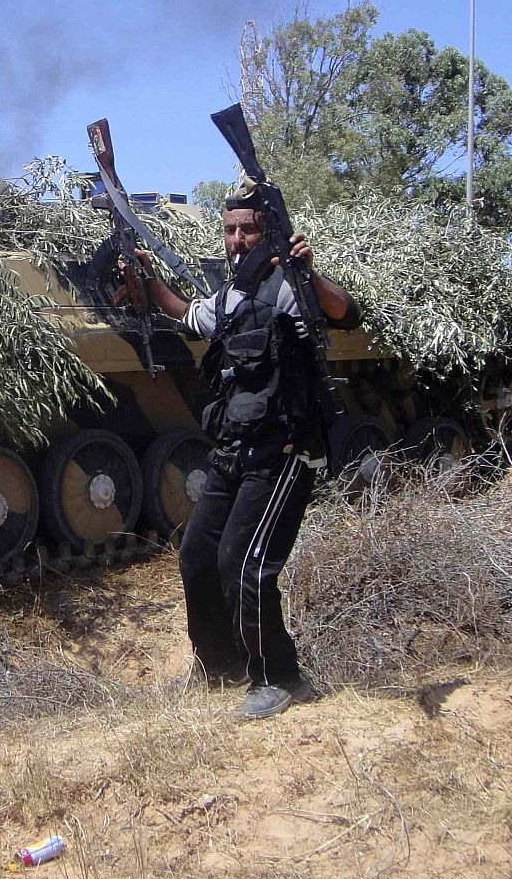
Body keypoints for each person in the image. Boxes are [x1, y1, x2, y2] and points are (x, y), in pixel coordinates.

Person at [124, 190, 360, 718]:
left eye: (248, 230)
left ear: (268, 232)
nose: (236, 240)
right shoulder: (232, 294)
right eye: (230, 230)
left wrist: (309, 269)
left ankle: (281, 677)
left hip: (285, 453)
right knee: (197, 556)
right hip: (234, 452)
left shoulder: (291, 287)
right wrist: (149, 282)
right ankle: (220, 666)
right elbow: (189, 317)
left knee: (244, 563)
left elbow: (344, 311)